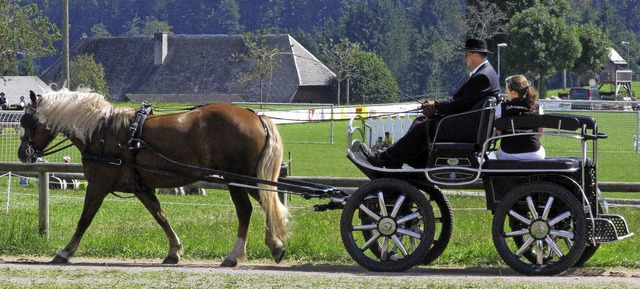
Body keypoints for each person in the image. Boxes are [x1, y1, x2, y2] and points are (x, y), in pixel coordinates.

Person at [364, 38, 500, 168]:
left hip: (465, 129)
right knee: (421, 120)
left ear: (475, 56)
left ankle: (386, 159)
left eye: (466, 54)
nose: (464, 58)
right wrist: (437, 105)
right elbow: (462, 102)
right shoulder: (486, 73)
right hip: (467, 124)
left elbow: (461, 105)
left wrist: (436, 107)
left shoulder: (482, 76)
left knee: (422, 127)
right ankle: (396, 158)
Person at [495, 75, 545, 160]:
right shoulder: (537, 107)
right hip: (534, 154)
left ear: (513, 92)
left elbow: (499, 132)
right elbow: (539, 132)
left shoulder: (501, 108)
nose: (506, 92)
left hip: (507, 153)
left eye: (507, 89)